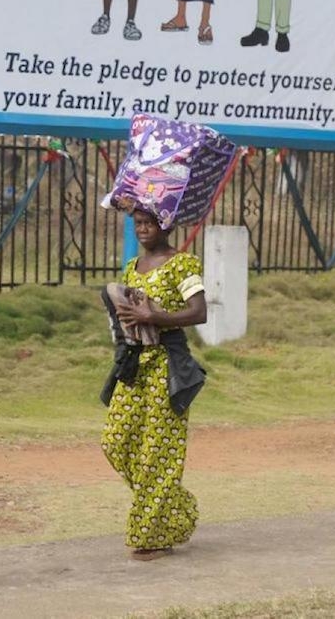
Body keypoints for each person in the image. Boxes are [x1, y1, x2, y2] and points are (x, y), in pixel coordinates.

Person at [100, 206, 207, 560]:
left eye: (150, 223)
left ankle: (151, 536)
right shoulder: (132, 267)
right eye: (139, 224)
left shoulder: (184, 264)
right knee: (115, 440)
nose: (143, 230)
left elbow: (199, 311)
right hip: (134, 365)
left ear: (167, 224)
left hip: (167, 367)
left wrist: (156, 316)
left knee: (157, 453)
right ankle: (176, 507)